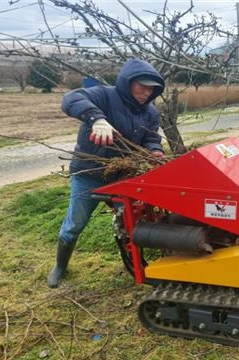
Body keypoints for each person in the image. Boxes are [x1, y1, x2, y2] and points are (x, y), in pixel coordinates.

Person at [48, 58, 166, 288]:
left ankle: (137, 265)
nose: (146, 92)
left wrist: (155, 152)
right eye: (142, 85)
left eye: (152, 88)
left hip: (123, 176)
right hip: (88, 175)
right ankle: (60, 266)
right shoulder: (103, 95)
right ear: (128, 82)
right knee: (75, 223)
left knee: (130, 221)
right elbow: (70, 98)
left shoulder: (150, 112)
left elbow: (152, 138)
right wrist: (97, 119)